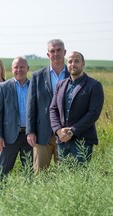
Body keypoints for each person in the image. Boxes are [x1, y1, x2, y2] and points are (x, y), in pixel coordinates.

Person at [50, 51, 104, 163]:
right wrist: (58, 130)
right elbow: (53, 109)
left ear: (83, 63)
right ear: (67, 63)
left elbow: (93, 113)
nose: (73, 64)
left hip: (82, 141)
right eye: (70, 61)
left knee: (80, 177)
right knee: (64, 177)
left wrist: (72, 131)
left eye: (76, 61)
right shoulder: (61, 85)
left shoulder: (94, 85)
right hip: (62, 140)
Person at [26, 39, 70, 173]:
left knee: (65, 175)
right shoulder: (37, 76)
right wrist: (30, 131)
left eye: (58, 50)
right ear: (48, 54)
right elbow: (31, 106)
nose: (55, 53)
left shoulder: (72, 75)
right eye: (52, 51)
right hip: (42, 134)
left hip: (65, 134)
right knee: (40, 175)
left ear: (65, 52)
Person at [0, 56, 33, 179]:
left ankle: (29, 196)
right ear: (11, 69)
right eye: (16, 67)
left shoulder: (34, 86)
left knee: (29, 172)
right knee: (3, 171)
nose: (19, 70)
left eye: (22, 67)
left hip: (29, 136)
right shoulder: (3, 87)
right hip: (9, 137)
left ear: (27, 69)